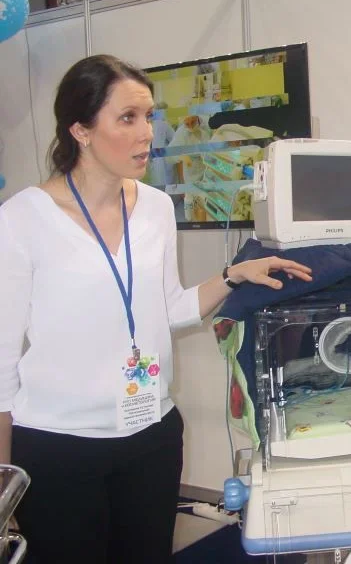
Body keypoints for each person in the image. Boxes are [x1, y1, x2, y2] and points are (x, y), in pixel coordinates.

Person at [0, 54, 313, 564]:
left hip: (152, 434)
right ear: (81, 130)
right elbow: (1, 359)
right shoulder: (21, 219)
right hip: (59, 446)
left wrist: (233, 275)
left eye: (148, 116)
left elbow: (169, 309)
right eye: (127, 118)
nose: (147, 132)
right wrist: (4, 477)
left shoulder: (155, 206)